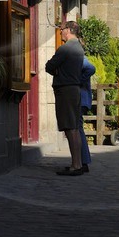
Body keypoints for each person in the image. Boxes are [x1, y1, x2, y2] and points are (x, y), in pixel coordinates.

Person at [45, 20, 87, 175]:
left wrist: (58, 73)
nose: (60, 31)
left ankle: (75, 165)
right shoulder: (79, 48)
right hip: (75, 89)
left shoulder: (65, 48)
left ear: (68, 30)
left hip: (65, 90)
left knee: (70, 129)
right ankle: (78, 163)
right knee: (75, 128)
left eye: (61, 29)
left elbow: (49, 66)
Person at [78, 54, 95, 171]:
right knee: (77, 128)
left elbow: (91, 68)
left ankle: (83, 161)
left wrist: (77, 81)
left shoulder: (79, 57)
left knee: (77, 128)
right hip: (81, 98)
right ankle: (81, 161)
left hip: (80, 98)